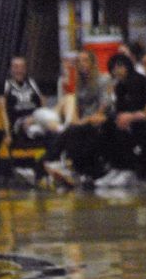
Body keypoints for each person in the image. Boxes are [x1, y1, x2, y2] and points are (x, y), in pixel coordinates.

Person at [42, 51, 109, 186]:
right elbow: (78, 108)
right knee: (63, 132)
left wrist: (82, 121)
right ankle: (65, 168)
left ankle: (46, 164)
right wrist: (77, 120)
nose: (81, 64)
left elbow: (104, 106)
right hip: (83, 123)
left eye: (85, 60)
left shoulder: (102, 80)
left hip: (97, 121)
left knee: (71, 130)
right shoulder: (80, 84)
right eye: (78, 61)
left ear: (92, 63)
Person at [97, 54, 146, 188]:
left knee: (120, 125)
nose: (117, 71)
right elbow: (119, 108)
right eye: (114, 68)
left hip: (141, 118)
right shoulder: (119, 86)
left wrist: (129, 116)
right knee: (107, 124)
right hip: (127, 118)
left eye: (120, 67)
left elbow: (140, 105)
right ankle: (116, 167)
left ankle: (128, 169)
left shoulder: (138, 81)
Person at [1, 55, 52, 144]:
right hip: (19, 124)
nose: (19, 70)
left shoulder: (34, 83)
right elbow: (3, 111)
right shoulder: (5, 85)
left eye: (22, 67)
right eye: (16, 67)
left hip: (37, 119)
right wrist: (7, 134)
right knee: (30, 124)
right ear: (10, 69)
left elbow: (44, 106)